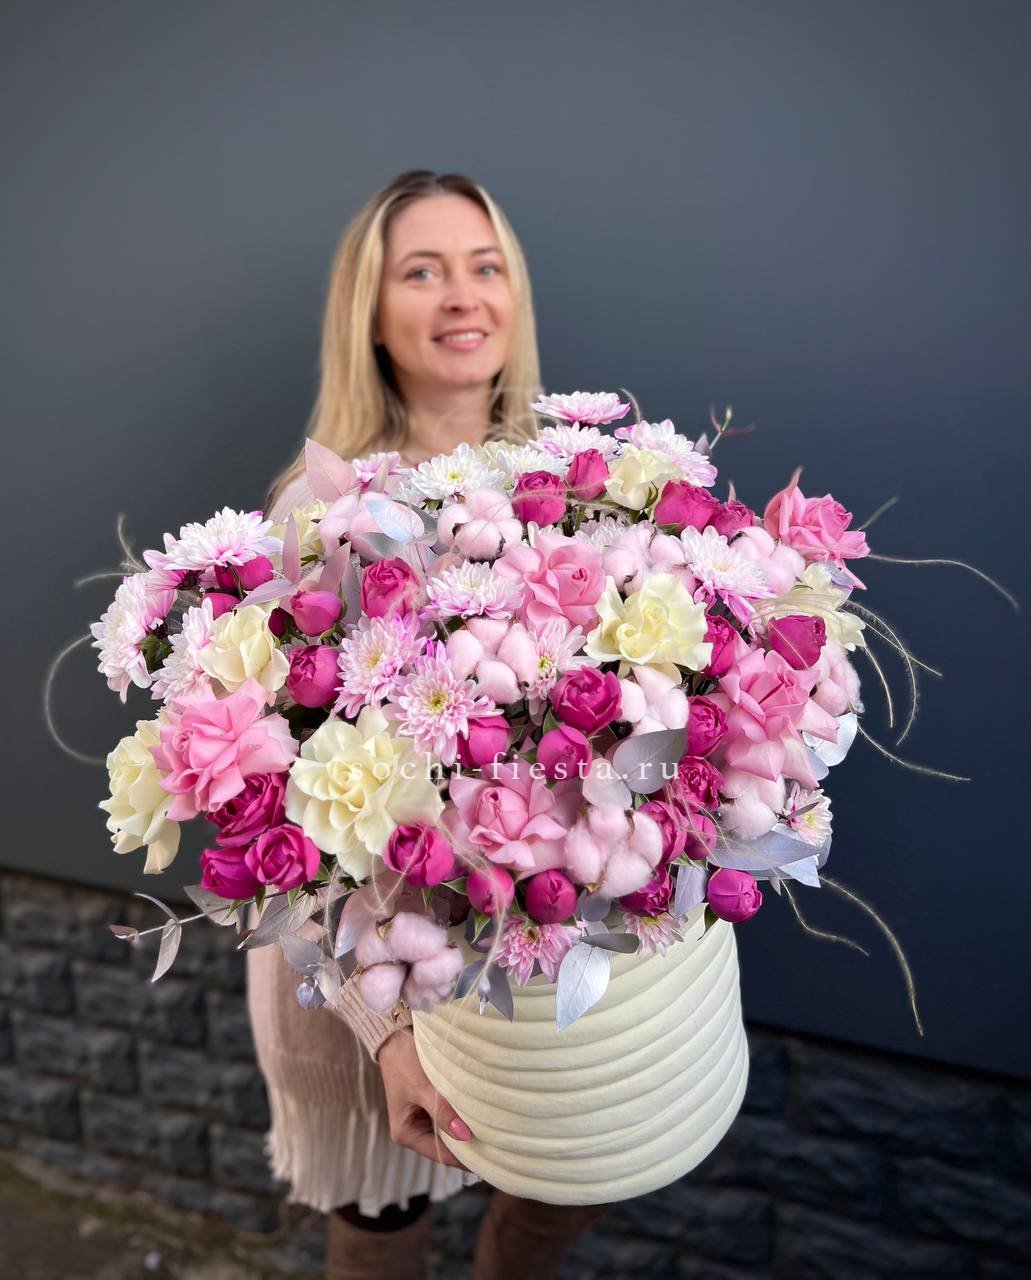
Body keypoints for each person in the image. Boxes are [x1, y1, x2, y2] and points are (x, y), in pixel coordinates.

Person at [247, 170, 610, 1280]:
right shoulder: (319, 512)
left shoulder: (580, 484)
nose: (461, 294)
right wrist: (387, 1031)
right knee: (381, 1231)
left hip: (535, 946)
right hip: (369, 976)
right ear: (370, 312)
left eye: (483, 265)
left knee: (552, 1201)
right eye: (421, 271)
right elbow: (273, 821)